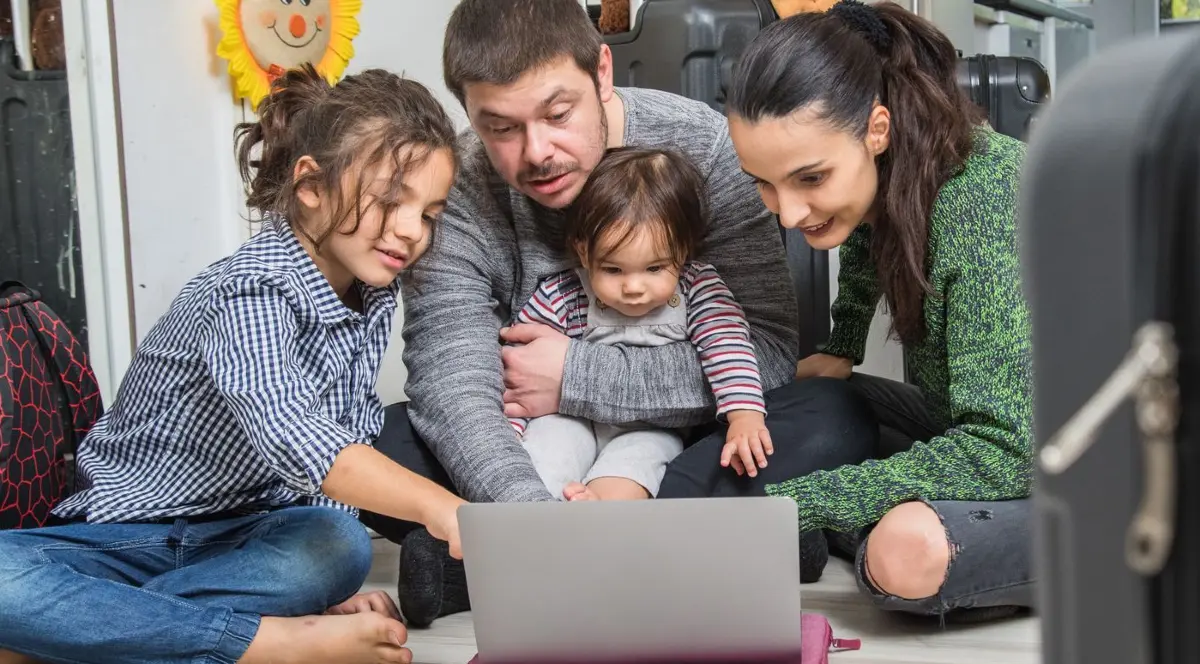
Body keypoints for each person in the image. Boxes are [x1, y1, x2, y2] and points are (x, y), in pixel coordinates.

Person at [360, 0, 879, 628]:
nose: (537, 152)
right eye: (500, 128)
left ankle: (477, 566)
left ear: (602, 72)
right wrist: (532, 515)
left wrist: (577, 377)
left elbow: (766, 351)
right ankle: (725, 543)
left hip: (687, 439)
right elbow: (452, 377)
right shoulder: (458, 186)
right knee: (380, 444)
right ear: (470, 114)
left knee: (833, 415)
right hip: (537, 443)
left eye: (558, 114)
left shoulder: (706, 147)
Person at [0, 66, 464, 664]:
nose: (411, 230)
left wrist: (327, 593)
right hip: (127, 539)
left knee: (338, 544)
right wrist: (439, 506)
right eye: (390, 201)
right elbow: (301, 440)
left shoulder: (371, 295)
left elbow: (336, 452)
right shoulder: (249, 290)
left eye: (428, 214)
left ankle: (66, 641)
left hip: (242, 542)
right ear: (310, 185)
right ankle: (264, 642)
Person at [725, 0, 1034, 620]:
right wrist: (842, 347)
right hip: (969, 427)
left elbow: (1006, 449)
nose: (788, 213)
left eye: (810, 178)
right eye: (763, 182)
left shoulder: (982, 206)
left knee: (902, 555)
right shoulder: (904, 171)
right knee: (809, 396)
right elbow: (867, 244)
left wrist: (798, 506)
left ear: (877, 128)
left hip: (1071, 467)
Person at [509, 146, 774, 502]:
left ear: (682, 251)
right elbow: (517, 371)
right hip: (570, 416)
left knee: (636, 468)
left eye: (654, 268)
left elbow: (728, 347)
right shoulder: (564, 294)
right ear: (584, 252)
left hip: (652, 425)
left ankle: (598, 511)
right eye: (613, 269)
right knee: (544, 453)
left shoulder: (697, 288)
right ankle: (540, 516)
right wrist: (511, 428)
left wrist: (744, 415)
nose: (633, 287)